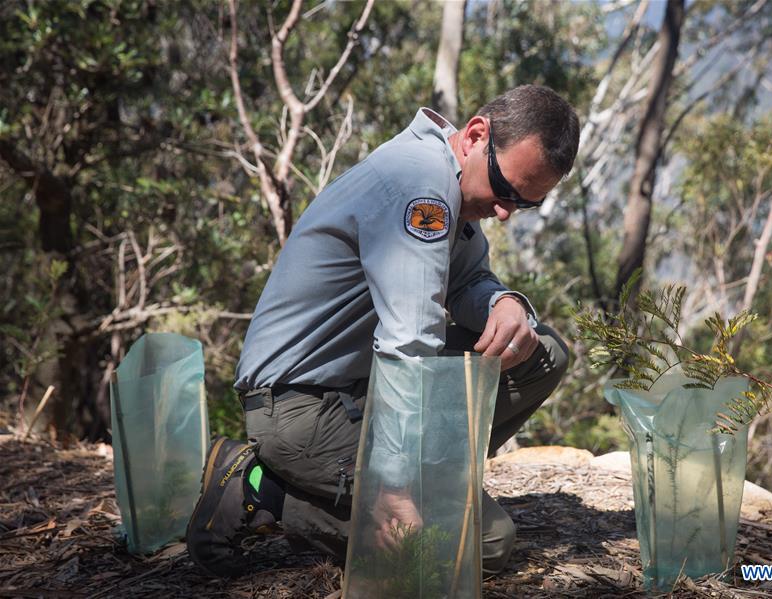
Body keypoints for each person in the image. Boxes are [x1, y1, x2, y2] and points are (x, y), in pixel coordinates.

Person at [186, 84, 580, 578]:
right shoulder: (419, 185)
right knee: (485, 544)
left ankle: (420, 482)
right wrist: (394, 488)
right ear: (476, 134)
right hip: (299, 408)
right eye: (505, 190)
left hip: (360, 386)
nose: (504, 212)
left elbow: (468, 281)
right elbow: (410, 345)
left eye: (523, 204)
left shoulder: (451, 182)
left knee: (541, 353)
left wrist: (504, 302)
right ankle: (262, 489)